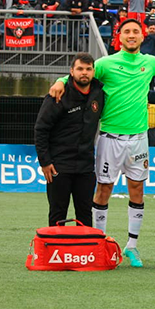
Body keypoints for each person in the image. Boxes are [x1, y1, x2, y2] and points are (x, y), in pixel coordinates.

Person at [47, 19, 155, 267]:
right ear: (119, 37)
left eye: (135, 32)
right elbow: (80, 74)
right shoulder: (106, 64)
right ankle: (99, 242)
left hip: (139, 139)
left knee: (137, 190)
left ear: (143, 37)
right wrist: (60, 81)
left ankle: (132, 246)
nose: (131, 35)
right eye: (127, 32)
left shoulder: (148, 62)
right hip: (110, 138)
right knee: (104, 190)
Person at [35, 53, 104, 227]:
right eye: (80, 69)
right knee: (58, 213)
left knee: (85, 214)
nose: (84, 73)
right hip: (59, 164)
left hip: (86, 166)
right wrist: (45, 161)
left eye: (88, 69)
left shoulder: (99, 93)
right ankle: (56, 253)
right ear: (71, 72)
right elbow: (41, 129)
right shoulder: (58, 94)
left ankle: (85, 253)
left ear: (93, 72)